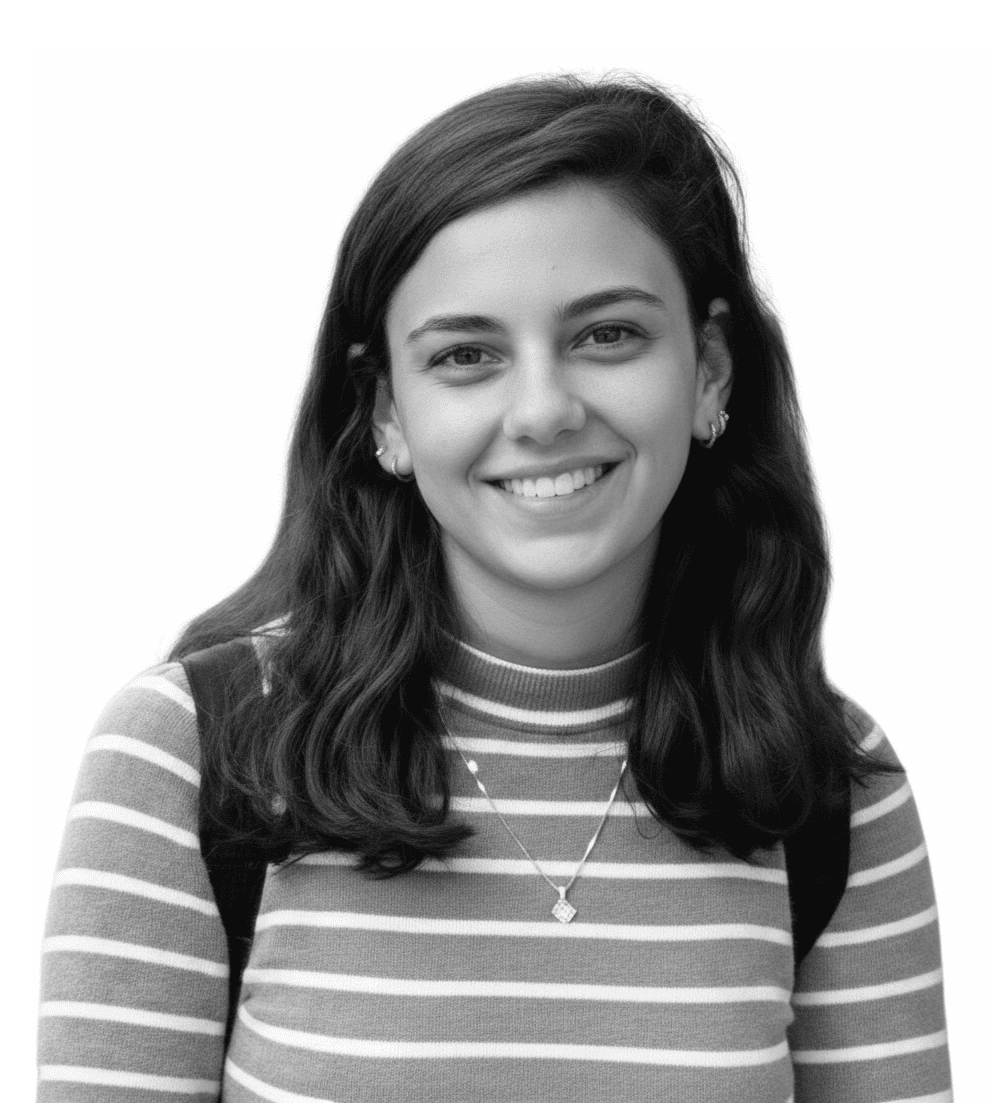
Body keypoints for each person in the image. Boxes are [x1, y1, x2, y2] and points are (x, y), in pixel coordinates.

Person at [38, 74, 951, 1102]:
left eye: (607, 335)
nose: (542, 410)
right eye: (466, 355)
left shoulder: (831, 791)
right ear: (386, 414)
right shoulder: (194, 756)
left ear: (708, 372)